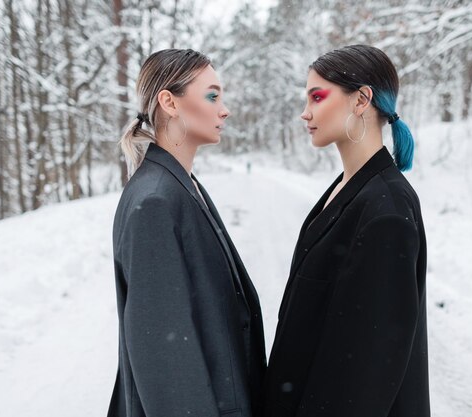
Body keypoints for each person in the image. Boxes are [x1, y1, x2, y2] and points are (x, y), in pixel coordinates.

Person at [263, 44, 430, 416]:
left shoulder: (386, 209)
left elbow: (365, 374)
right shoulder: (350, 187)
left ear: (361, 99)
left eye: (317, 97)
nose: (305, 113)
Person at [107, 48, 266, 417]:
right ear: (169, 102)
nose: (223, 109)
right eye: (212, 95)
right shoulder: (156, 202)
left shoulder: (180, 186)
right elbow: (164, 356)